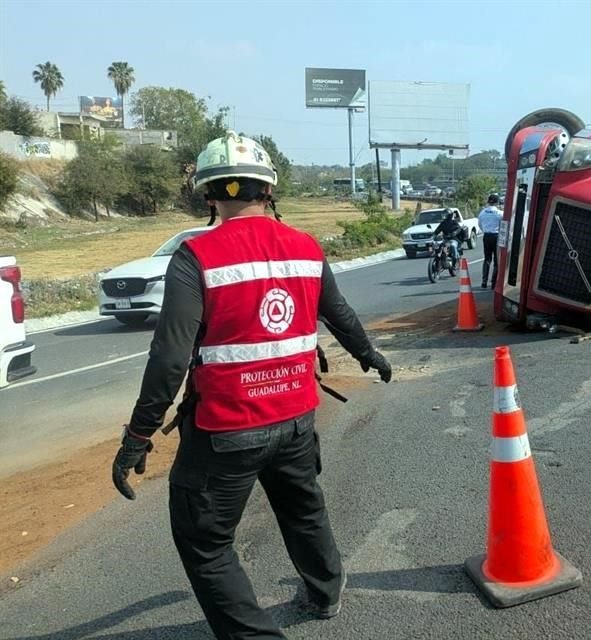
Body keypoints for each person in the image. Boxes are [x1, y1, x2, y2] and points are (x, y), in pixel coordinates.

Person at [111, 131, 392, 640]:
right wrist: (367, 354)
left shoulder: (195, 256)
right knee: (303, 507)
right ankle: (326, 593)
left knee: (205, 542)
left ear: (209, 194)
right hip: (296, 420)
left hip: (226, 431)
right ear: (269, 190)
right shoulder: (304, 247)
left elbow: (170, 357)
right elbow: (340, 314)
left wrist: (138, 434)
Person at [477, 194, 503, 288]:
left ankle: (484, 282)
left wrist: (485, 230)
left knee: (487, 259)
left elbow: (479, 224)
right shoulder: (500, 213)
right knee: (497, 260)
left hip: (486, 236)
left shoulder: (482, 212)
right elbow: (503, 226)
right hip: (496, 236)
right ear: (497, 202)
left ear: (488, 202)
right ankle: (493, 283)